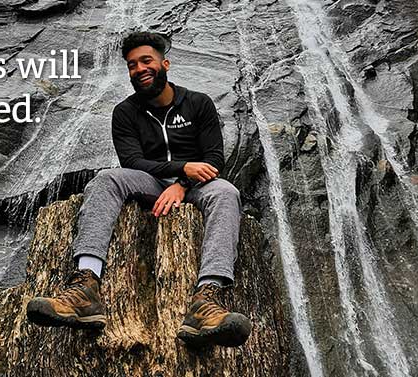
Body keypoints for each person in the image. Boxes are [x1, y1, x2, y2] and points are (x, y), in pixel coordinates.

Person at [25, 31, 252, 348]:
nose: (140, 69)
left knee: (227, 192)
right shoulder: (125, 112)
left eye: (146, 61)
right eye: (132, 65)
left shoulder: (199, 103)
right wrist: (179, 170)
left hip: (199, 185)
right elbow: (133, 161)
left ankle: (206, 300)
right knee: (107, 178)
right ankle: (86, 287)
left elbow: (214, 157)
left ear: (165, 63)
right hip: (151, 183)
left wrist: (183, 185)